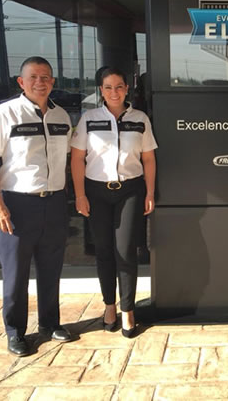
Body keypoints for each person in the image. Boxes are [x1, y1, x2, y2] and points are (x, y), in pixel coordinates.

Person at [70, 67, 157, 338]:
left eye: (119, 86)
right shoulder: (89, 118)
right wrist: (80, 194)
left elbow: (149, 159)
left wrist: (150, 192)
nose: (114, 92)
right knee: (105, 252)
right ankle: (110, 306)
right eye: (108, 87)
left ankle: (128, 310)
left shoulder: (139, 118)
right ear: (101, 90)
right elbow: (76, 159)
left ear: (127, 88)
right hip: (96, 192)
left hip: (130, 191)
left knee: (126, 251)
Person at [0, 56, 73, 356]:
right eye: (34, 77)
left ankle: (49, 323)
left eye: (46, 77)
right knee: (16, 273)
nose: (40, 82)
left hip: (54, 202)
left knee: (51, 267)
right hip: (16, 203)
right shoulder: (6, 114)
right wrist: (0, 207)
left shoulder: (62, 117)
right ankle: (15, 332)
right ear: (21, 81)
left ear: (53, 82)